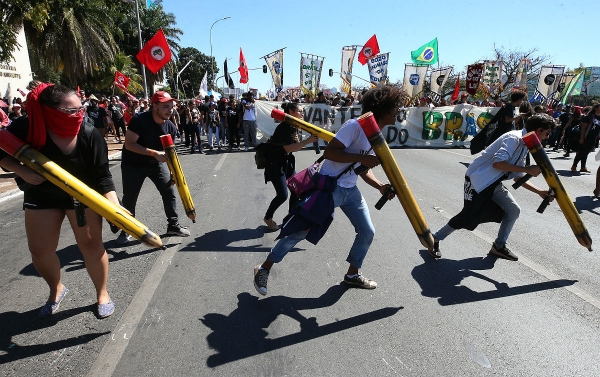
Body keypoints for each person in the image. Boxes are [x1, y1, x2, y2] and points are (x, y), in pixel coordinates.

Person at [253, 85, 400, 296]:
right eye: (395, 107)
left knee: (367, 231)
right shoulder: (355, 126)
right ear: (383, 108)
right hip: (330, 188)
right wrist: (361, 157)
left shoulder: (375, 136)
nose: (399, 111)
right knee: (301, 231)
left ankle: (352, 275)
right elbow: (331, 152)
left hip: (351, 191)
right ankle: (263, 268)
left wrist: (380, 186)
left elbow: (360, 169)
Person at [0, 82, 119, 318]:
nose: (79, 114)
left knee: (92, 247)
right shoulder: (26, 127)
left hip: (82, 196)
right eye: (71, 110)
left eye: (81, 108)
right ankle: (56, 289)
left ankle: (102, 293)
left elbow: (103, 176)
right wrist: (21, 171)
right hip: (41, 195)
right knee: (40, 250)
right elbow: (2, 153)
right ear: (49, 110)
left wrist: (114, 206)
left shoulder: (89, 133)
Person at [430, 113, 555, 261]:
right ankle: (435, 238)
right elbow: (498, 163)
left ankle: (499, 246)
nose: (546, 137)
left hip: (493, 183)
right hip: (478, 181)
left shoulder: (525, 144)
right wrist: (528, 169)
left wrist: (539, 191)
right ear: (539, 130)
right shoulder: (514, 139)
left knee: (513, 210)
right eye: (547, 133)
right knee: (468, 217)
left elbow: (517, 176)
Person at [115, 91, 191, 244]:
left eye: (171, 106)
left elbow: (170, 153)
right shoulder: (139, 120)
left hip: (155, 164)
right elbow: (129, 144)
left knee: (169, 191)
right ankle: (127, 229)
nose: (170, 110)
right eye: (165, 107)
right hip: (133, 164)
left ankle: (173, 225)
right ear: (154, 106)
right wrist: (153, 153)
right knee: (130, 198)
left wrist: (173, 172)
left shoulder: (170, 126)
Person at [263, 102, 319, 231]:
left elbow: (294, 148)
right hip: (275, 165)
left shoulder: (293, 126)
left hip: (287, 163)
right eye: (300, 111)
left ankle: (290, 218)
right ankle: (268, 217)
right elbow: (287, 148)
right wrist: (307, 141)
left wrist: (299, 141)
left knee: (296, 189)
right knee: (282, 195)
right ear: (291, 112)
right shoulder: (284, 127)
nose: (302, 113)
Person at [571, 104, 600, 173]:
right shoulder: (589, 117)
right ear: (595, 108)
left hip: (593, 138)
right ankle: (574, 165)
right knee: (582, 152)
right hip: (585, 137)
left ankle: (583, 167)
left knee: (586, 152)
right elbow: (583, 128)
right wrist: (582, 137)